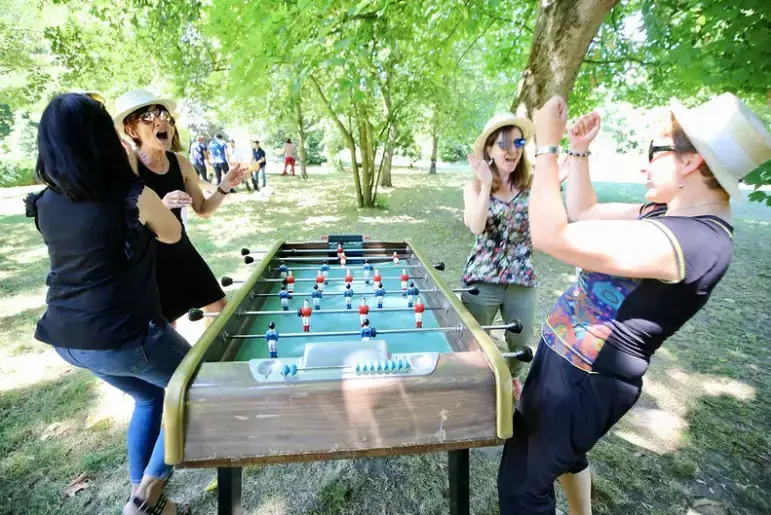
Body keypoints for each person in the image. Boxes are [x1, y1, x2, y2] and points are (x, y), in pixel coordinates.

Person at [498, 93, 771, 515]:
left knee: (522, 487)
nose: (644, 165)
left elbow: (554, 236)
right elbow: (585, 211)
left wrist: (548, 149)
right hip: (570, 362)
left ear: (689, 162)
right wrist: (579, 152)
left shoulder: (692, 241)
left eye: (653, 152)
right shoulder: (669, 213)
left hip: (585, 377)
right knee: (564, 455)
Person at [26, 93, 189, 515]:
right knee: (197, 388)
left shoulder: (44, 203)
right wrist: (134, 171)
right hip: (121, 336)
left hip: (67, 339)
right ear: (105, 138)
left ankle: (150, 500)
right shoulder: (131, 195)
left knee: (153, 398)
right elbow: (172, 234)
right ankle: (144, 498)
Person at [113, 89, 245, 324]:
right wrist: (160, 207)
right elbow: (123, 219)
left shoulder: (180, 163)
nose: (160, 121)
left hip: (182, 250)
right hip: (150, 258)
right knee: (166, 325)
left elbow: (203, 209)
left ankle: (211, 359)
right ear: (132, 130)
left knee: (219, 311)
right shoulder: (128, 165)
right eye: (148, 118)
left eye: (163, 115)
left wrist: (225, 185)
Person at [462, 112, 538, 379]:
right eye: (504, 144)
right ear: (489, 149)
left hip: (522, 279)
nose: (512, 151)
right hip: (483, 279)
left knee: (520, 344)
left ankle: (509, 384)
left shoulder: (532, 185)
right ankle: (477, 387)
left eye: (518, 144)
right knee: (474, 342)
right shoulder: (472, 186)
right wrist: (485, 186)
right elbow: (477, 226)